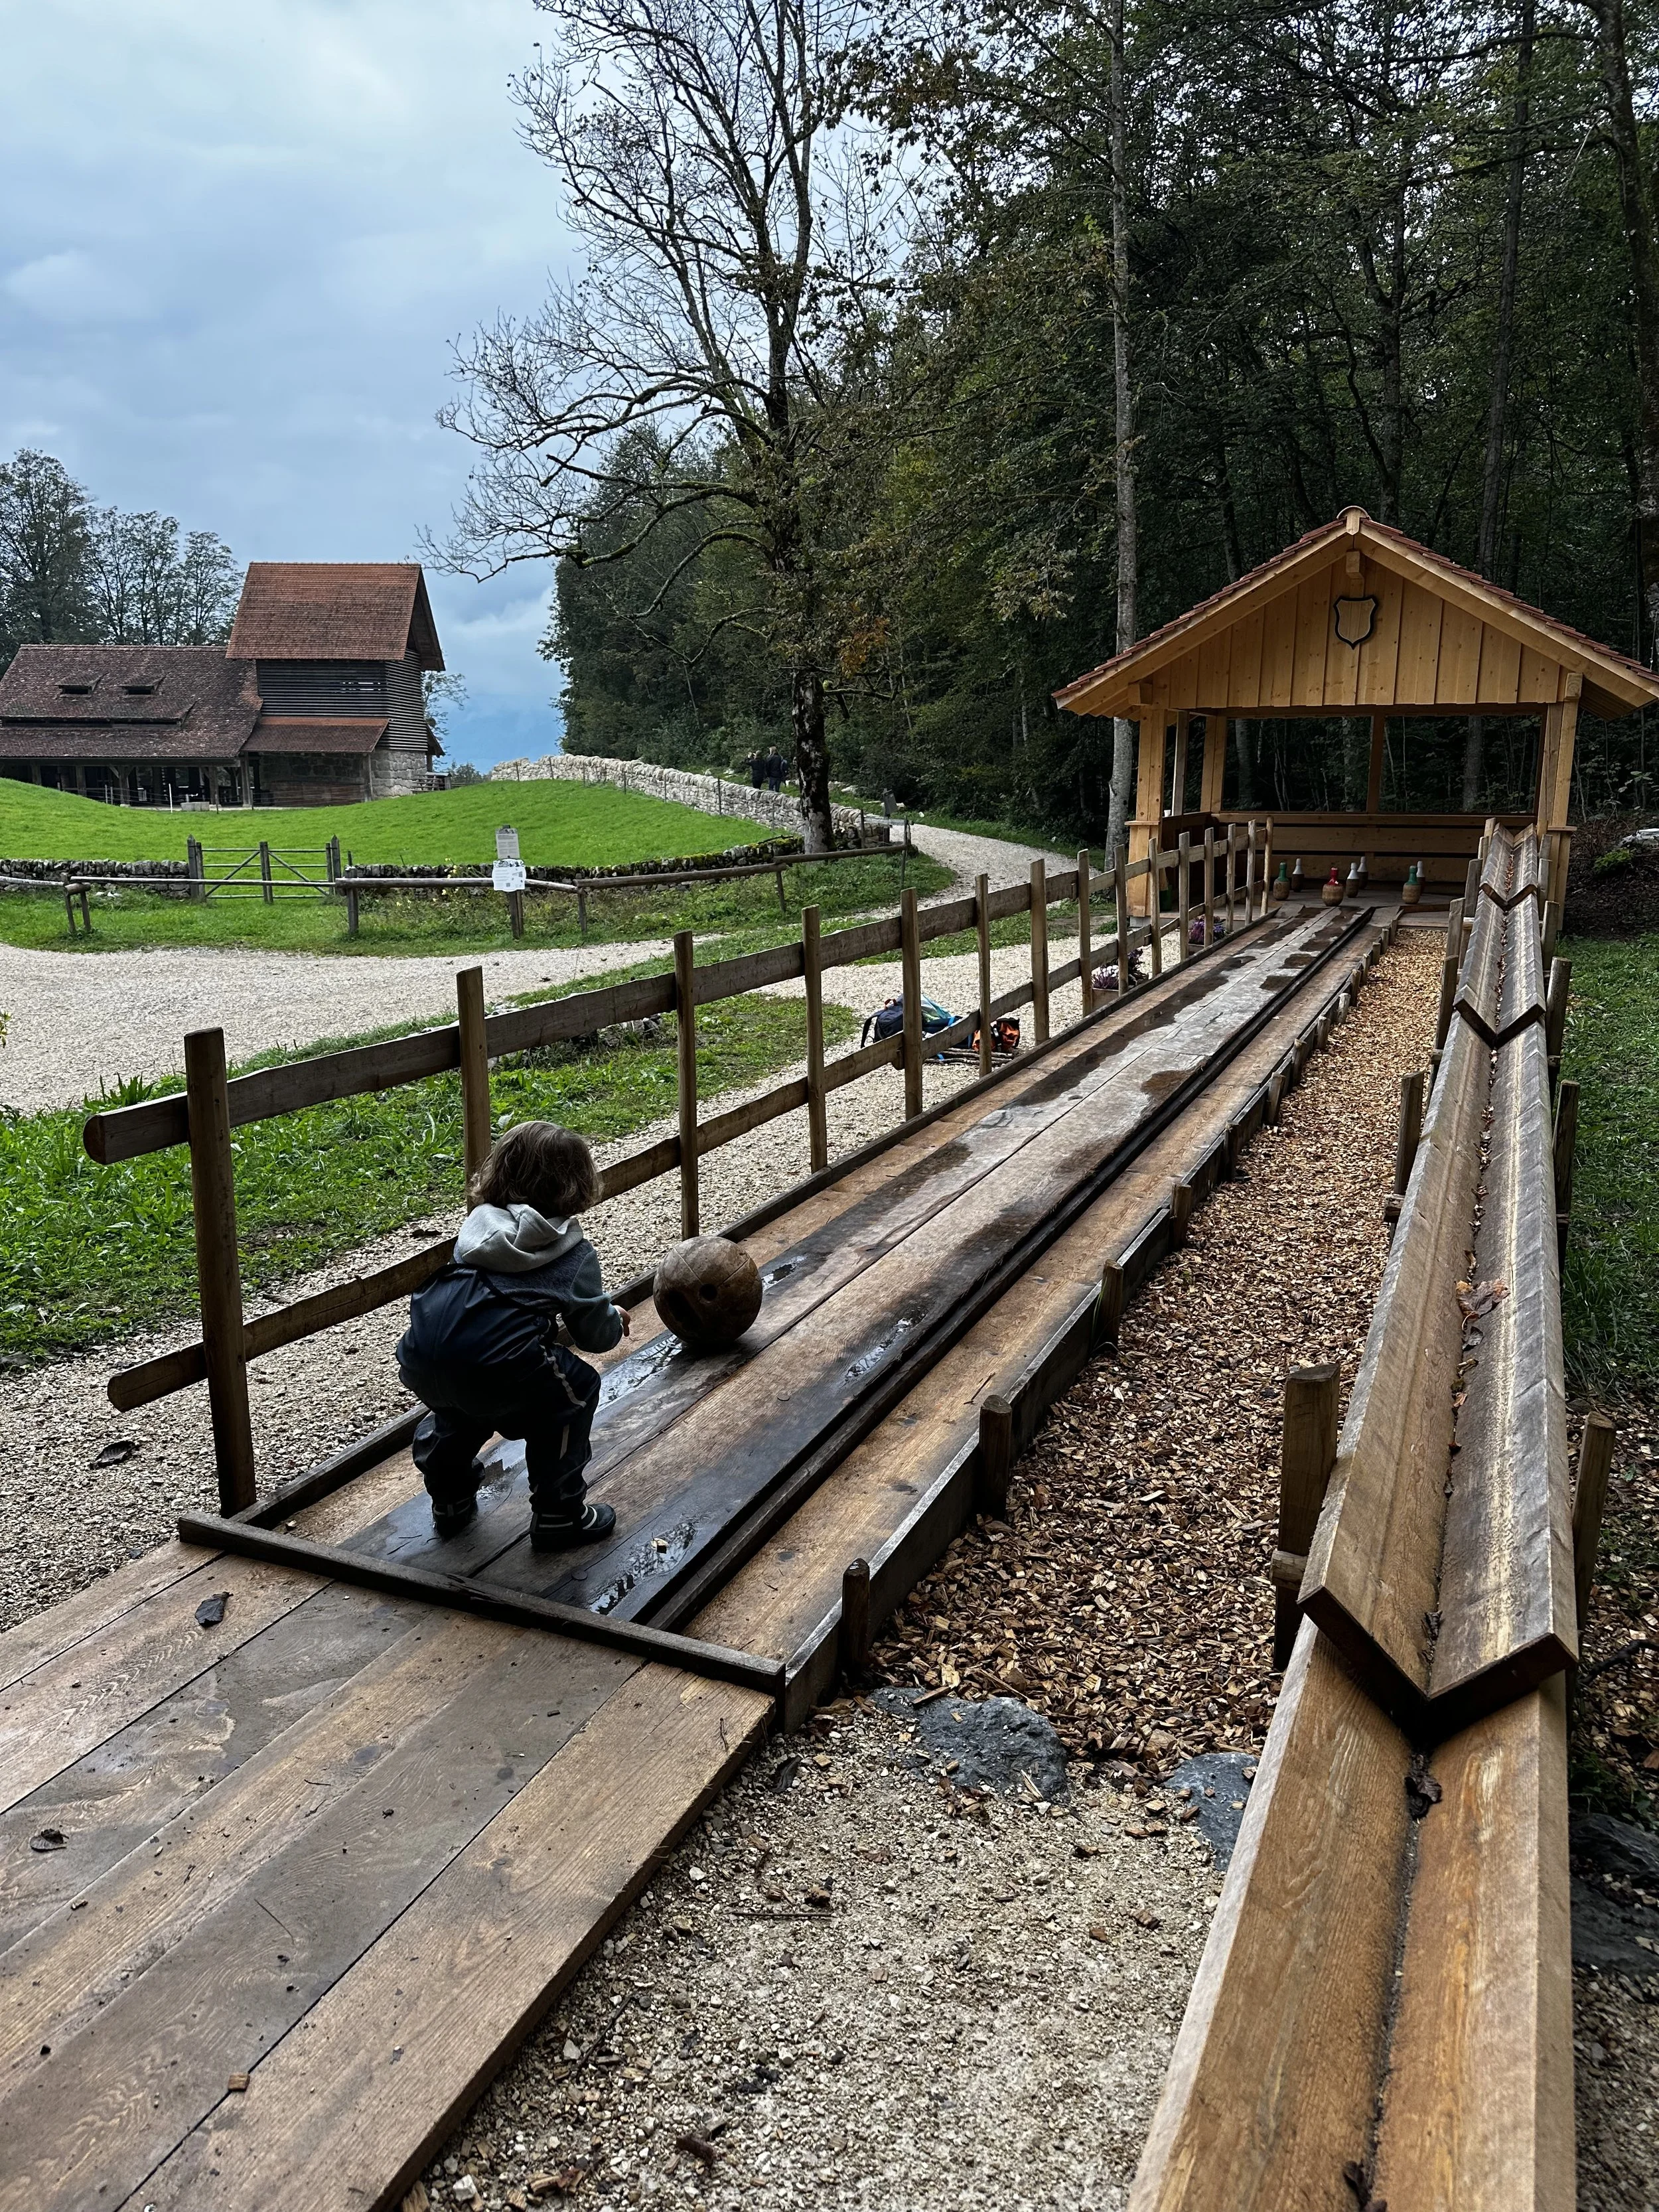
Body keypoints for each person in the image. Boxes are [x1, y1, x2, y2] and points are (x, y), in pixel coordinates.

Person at [396, 1122, 630, 1550]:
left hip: (425, 1356)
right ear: (577, 1184)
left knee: (463, 1405)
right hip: (499, 1363)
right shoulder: (572, 1252)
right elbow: (594, 1334)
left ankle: (450, 1499)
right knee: (575, 1393)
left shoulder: (476, 1233)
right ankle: (560, 1513)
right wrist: (612, 1318)